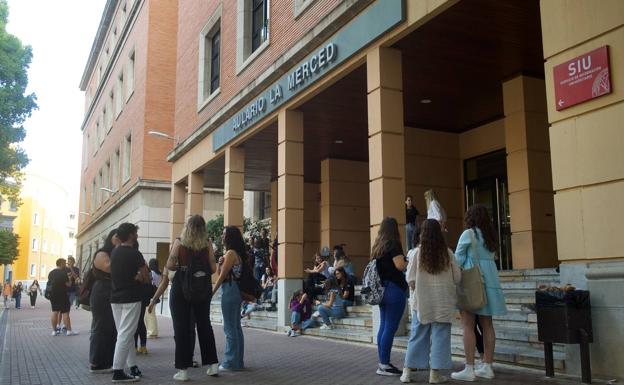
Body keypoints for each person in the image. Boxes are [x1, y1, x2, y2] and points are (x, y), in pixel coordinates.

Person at [401, 219, 461, 384]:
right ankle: (434, 375)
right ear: (439, 234)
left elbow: (410, 280)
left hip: (421, 302)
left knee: (417, 335)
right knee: (441, 336)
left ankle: (407, 371)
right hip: (443, 301)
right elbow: (457, 277)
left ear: (422, 234)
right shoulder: (448, 253)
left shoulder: (416, 253)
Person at [451, 204, 507, 382]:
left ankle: (469, 368)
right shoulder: (490, 236)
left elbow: (458, 259)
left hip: (473, 283)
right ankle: (488, 366)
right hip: (490, 281)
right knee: (487, 325)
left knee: (467, 324)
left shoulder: (469, 234)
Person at [166, 214, 219, 381]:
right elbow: (212, 269)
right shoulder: (207, 244)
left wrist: (183, 264)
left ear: (187, 227)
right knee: (204, 325)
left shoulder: (179, 242)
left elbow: (169, 265)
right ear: (203, 228)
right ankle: (212, 365)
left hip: (181, 286)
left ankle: (183, 370)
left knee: (181, 328)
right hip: (202, 287)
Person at [109, 223, 150, 382]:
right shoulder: (135, 254)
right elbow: (146, 276)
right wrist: (138, 277)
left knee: (125, 333)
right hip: (131, 298)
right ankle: (118, 371)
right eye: (135, 232)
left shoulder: (114, 252)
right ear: (131, 235)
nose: (137, 235)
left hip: (115, 298)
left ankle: (132, 367)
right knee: (126, 334)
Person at [371, 217, 408, 376]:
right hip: (394, 289)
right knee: (390, 327)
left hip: (382, 290)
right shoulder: (393, 244)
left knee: (384, 326)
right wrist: (409, 260)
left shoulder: (378, 247)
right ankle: (384, 364)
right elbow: (400, 265)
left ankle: (383, 362)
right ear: (394, 229)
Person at [213, 225, 246, 371]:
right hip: (235, 291)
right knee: (236, 327)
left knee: (230, 328)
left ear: (230, 237)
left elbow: (222, 276)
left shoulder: (231, 253)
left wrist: (212, 292)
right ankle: (237, 361)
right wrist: (220, 263)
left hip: (230, 290)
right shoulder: (233, 253)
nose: (222, 236)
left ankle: (230, 362)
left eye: (224, 233)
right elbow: (222, 271)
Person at [90, 229, 120, 373]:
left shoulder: (115, 253)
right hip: (102, 292)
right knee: (101, 327)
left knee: (112, 328)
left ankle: (108, 361)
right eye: (116, 237)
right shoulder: (102, 254)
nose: (119, 239)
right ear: (110, 238)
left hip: (112, 291)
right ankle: (97, 362)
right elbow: (110, 268)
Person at [48, 258, 78, 336]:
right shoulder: (62, 273)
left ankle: (54, 331)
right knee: (65, 312)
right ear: (61, 264)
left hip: (53, 295)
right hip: (62, 294)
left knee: (55, 312)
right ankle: (69, 331)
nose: (65, 265)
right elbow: (68, 284)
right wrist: (70, 279)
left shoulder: (51, 273)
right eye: (64, 263)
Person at [144, 259, 161, 338]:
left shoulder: (152, 274)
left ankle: (152, 332)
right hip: (156, 294)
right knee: (151, 314)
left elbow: (149, 283)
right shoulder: (159, 273)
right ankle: (152, 331)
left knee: (150, 314)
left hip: (150, 295)